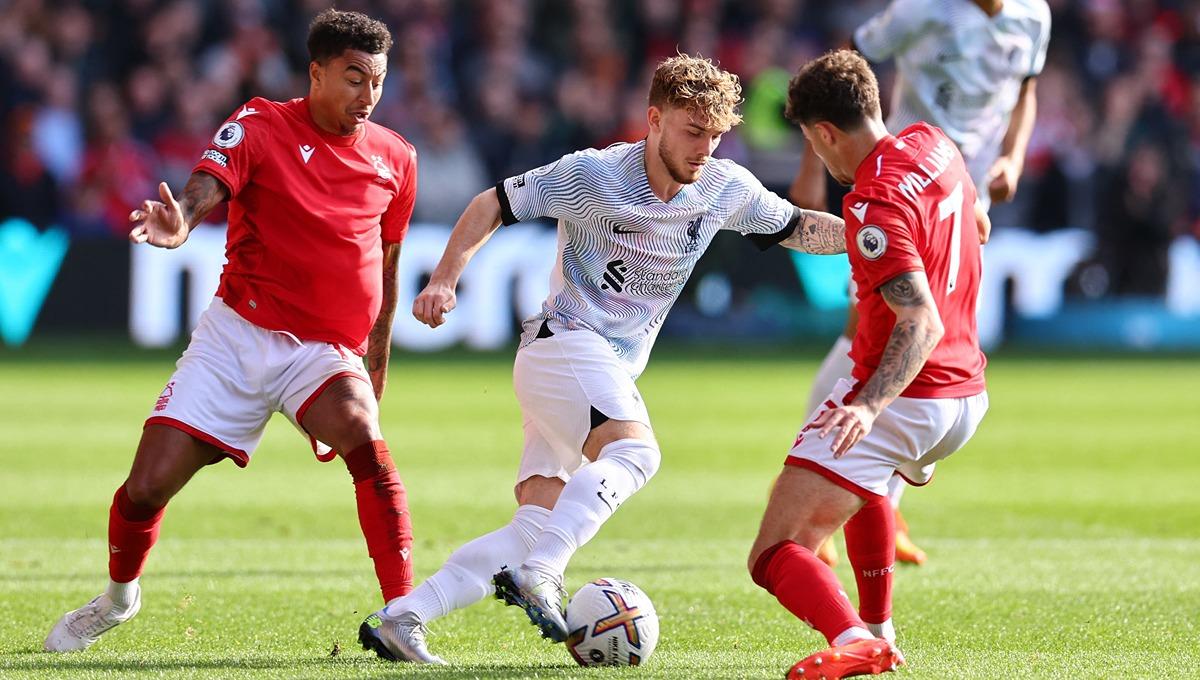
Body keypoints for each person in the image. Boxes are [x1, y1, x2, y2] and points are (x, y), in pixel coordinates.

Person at [357, 53, 849, 665]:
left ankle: (404, 618)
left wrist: (873, 237)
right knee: (636, 453)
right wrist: (445, 279)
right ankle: (544, 570)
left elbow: (798, 227)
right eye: (692, 131)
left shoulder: (725, 188)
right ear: (654, 119)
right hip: (563, 345)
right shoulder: (596, 176)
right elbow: (494, 203)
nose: (704, 148)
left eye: (716, 136)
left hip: (592, 371)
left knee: (533, 524)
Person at [44, 9, 419, 653]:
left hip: (324, 351)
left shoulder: (396, 159)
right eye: (354, 79)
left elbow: (387, 269)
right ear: (317, 72)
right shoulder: (261, 122)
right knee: (145, 489)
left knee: (365, 435)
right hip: (237, 337)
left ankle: (405, 615)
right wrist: (183, 220)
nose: (368, 97)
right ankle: (118, 597)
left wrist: (376, 362)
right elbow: (209, 183)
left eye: (377, 81)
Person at [749, 50, 990, 679]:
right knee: (868, 479)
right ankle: (880, 631)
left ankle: (854, 637)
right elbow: (977, 218)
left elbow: (921, 321)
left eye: (812, 142)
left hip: (911, 393)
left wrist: (870, 404)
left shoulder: (871, 207)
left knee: (777, 549)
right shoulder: (935, 145)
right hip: (967, 392)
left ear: (824, 133)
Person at [792, 0, 1050, 566]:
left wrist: (1012, 156)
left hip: (961, 186)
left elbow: (1026, 90)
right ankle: (825, 468)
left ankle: (877, 490)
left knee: (936, 332)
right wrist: (815, 162)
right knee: (868, 325)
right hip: (901, 178)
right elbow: (846, 68)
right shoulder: (922, 11)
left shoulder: (1035, 15)